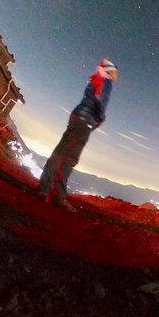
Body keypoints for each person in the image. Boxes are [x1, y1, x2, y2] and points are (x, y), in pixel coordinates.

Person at [37, 58, 118, 209]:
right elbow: (101, 101)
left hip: (76, 116)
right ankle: (57, 195)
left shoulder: (95, 80)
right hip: (85, 120)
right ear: (108, 70)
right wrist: (100, 118)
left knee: (60, 152)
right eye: (114, 71)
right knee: (69, 158)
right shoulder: (106, 82)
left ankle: (44, 188)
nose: (115, 75)